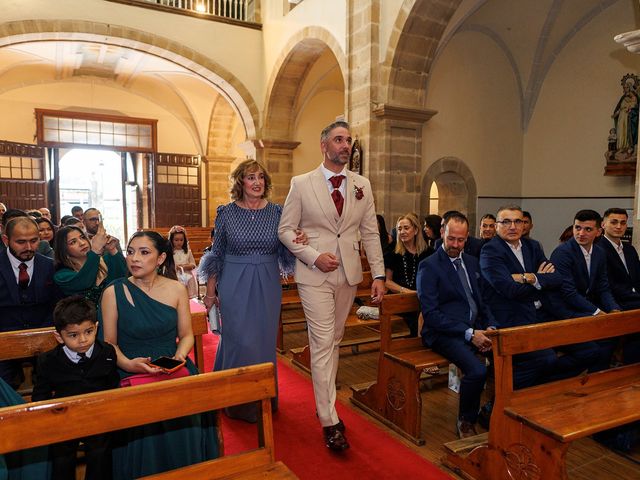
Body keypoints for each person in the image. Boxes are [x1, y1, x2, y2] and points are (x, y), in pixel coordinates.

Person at [278, 120, 386, 452]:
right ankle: (330, 419)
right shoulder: (301, 183)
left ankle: (325, 403)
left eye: (349, 141)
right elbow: (285, 229)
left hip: (349, 274)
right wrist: (312, 256)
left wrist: (378, 275)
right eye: (339, 140)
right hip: (314, 275)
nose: (345, 146)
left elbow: (370, 232)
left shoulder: (362, 185)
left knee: (334, 340)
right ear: (324, 145)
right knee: (323, 341)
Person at [101, 231, 219, 478]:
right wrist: (129, 365)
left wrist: (179, 355)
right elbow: (109, 343)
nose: (135, 258)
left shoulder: (176, 289)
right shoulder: (113, 291)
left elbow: (186, 335)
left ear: (161, 258)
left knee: (189, 405)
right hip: (129, 368)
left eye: (144, 253)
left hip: (172, 365)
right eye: (131, 252)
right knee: (140, 415)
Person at [199, 159, 301, 422]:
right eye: (251, 177)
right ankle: (236, 400)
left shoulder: (278, 212)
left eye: (261, 178)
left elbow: (286, 249)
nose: (257, 182)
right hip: (234, 280)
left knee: (264, 342)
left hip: (267, 281)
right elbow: (216, 255)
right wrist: (210, 294)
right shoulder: (226, 213)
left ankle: (262, 400)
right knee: (238, 339)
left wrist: (298, 240)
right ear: (240, 182)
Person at [417, 212, 496, 438]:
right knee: (477, 370)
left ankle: (491, 411)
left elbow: (481, 300)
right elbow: (431, 315)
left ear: (467, 237)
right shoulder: (429, 266)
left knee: (511, 360)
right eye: (451, 238)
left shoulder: (471, 261)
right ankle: (466, 420)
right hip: (442, 333)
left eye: (461, 240)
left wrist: (490, 325)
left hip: (474, 328)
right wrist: (470, 334)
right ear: (442, 233)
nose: (455, 244)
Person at [32, 295, 119, 480]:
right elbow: (40, 397)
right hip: (64, 418)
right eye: (73, 335)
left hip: (98, 416)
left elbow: (113, 387)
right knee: (62, 458)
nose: (83, 340)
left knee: (100, 453)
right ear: (59, 336)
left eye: (89, 332)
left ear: (96, 327)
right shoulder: (48, 361)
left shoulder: (107, 353)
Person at [480, 205, 562, 389]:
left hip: (539, 315)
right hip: (509, 319)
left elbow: (557, 278)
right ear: (497, 226)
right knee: (546, 359)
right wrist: (539, 281)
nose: (513, 226)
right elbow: (509, 290)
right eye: (506, 222)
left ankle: (526, 397)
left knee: (583, 349)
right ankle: (498, 404)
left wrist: (528, 277)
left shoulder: (532, 246)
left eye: (518, 221)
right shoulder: (490, 251)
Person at [549, 209, 621, 371]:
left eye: (588, 229)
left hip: (583, 307)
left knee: (612, 332)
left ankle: (596, 378)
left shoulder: (600, 252)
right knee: (594, 345)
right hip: (563, 311)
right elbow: (568, 292)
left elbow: (603, 287)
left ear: (598, 232)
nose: (581, 233)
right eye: (577, 228)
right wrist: (597, 312)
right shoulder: (562, 252)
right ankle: (553, 376)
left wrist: (613, 308)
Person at [0, 216, 59, 386]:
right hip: (3, 340)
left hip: (46, 339)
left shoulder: (50, 266)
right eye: (21, 242)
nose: (28, 247)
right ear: (6, 240)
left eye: (34, 241)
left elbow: (57, 304)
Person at [53, 224, 127, 306]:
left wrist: (112, 249)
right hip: (84, 317)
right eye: (73, 242)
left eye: (82, 237)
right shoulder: (62, 276)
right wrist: (95, 250)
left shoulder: (104, 260)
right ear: (64, 250)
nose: (82, 243)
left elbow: (121, 278)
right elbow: (84, 282)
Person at [384, 212, 432, 336]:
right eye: (399, 229)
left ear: (416, 230)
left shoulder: (427, 252)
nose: (402, 232)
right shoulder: (392, 252)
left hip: (421, 298)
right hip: (400, 299)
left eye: (406, 228)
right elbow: (387, 282)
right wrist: (405, 291)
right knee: (416, 317)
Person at [169, 225, 197, 298]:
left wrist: (185, 266)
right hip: (174, 277)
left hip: (187, 278)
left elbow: (193, 264)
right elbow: (167, 265)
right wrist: (175, 267)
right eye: (176, 240)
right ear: (171, 240)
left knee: (188, 297)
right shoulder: (170, 253)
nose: (179, 242)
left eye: (181, 240)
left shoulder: (187, 252)